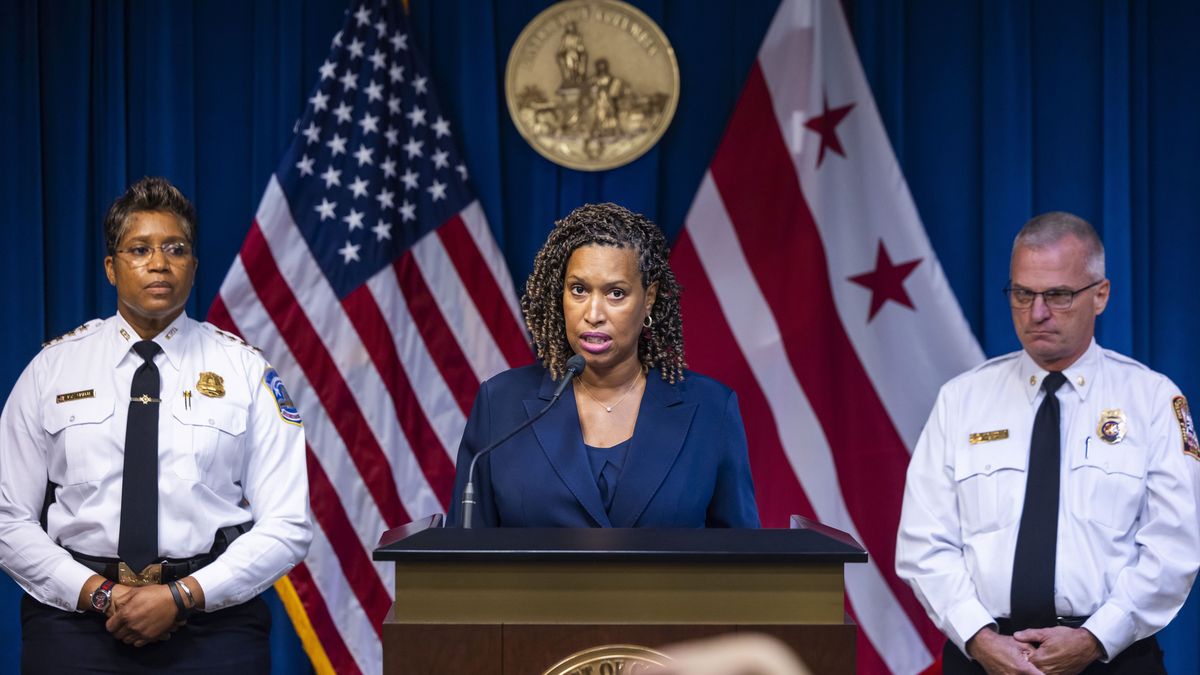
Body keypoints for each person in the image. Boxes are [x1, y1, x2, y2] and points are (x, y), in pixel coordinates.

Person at [0, 177, 311, 672]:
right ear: (111, 268)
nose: (160, 263)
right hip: (76, 624)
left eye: (176, 248)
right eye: (140, 249)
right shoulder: (52, 370)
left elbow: (287, 523)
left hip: (213, 625)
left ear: (193, 265)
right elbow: (7, 516)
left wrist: (182, 596)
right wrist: (101, 595)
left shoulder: (245, 371)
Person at [896, 212, 1200, 674]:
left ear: (1100, 295)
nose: (1036, 313)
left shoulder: (1153, 400)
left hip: (1111, 659)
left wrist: (1095, 638)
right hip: (984, 657)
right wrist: (980, 639)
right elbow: (924, 543)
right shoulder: (962, 400)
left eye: (1058, 295)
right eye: (1023, 294)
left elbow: (1173, 547)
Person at [449, 203, 759, 528]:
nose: (594, 314)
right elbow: (463, 550)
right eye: (579, 290)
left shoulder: (712, 409)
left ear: (649, 298)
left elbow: (740, 553)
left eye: (616, 293)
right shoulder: (500, 404)